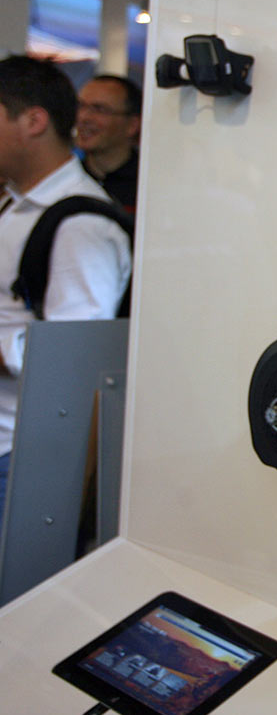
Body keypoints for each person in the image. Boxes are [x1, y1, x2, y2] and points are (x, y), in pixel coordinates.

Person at [0, 56, 131, 527]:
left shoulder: (80, 222)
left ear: (33, 121)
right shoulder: (18, 205)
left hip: (19, 454)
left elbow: (72, 359)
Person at [75, 74, 141, 211]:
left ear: (132, 125)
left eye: (99, 109)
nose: (83, 117)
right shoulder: (68, 178)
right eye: (80, 106)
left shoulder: (146, 184)